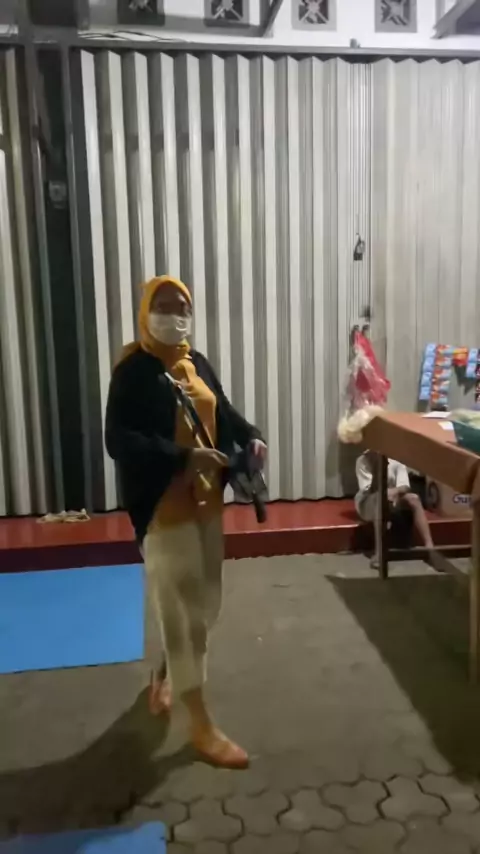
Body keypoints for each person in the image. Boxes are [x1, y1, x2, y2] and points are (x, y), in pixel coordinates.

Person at [105, 275, 266, 769]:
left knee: (205, 607)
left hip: (207, 505)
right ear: (145, 311)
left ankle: (165, 675)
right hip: (164, 510)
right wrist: (183, 457)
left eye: (182, 306)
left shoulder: (197, 362)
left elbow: (223, 411)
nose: (174, 315)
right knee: (181, 617)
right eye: (164, 305)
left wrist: (252, 436)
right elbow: (119, 439)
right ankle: (200, 725)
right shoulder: (133, 371)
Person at [355, 451, 434, 563]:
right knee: (379, 499)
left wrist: (395, 492)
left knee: (414, 499)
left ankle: (430, 547)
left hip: (393, 497)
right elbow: (369, 490)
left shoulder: (396, 458)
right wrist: (376, 469)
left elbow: (405, 486)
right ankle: (380, 552)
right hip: (368, 502)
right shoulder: (363, 460)